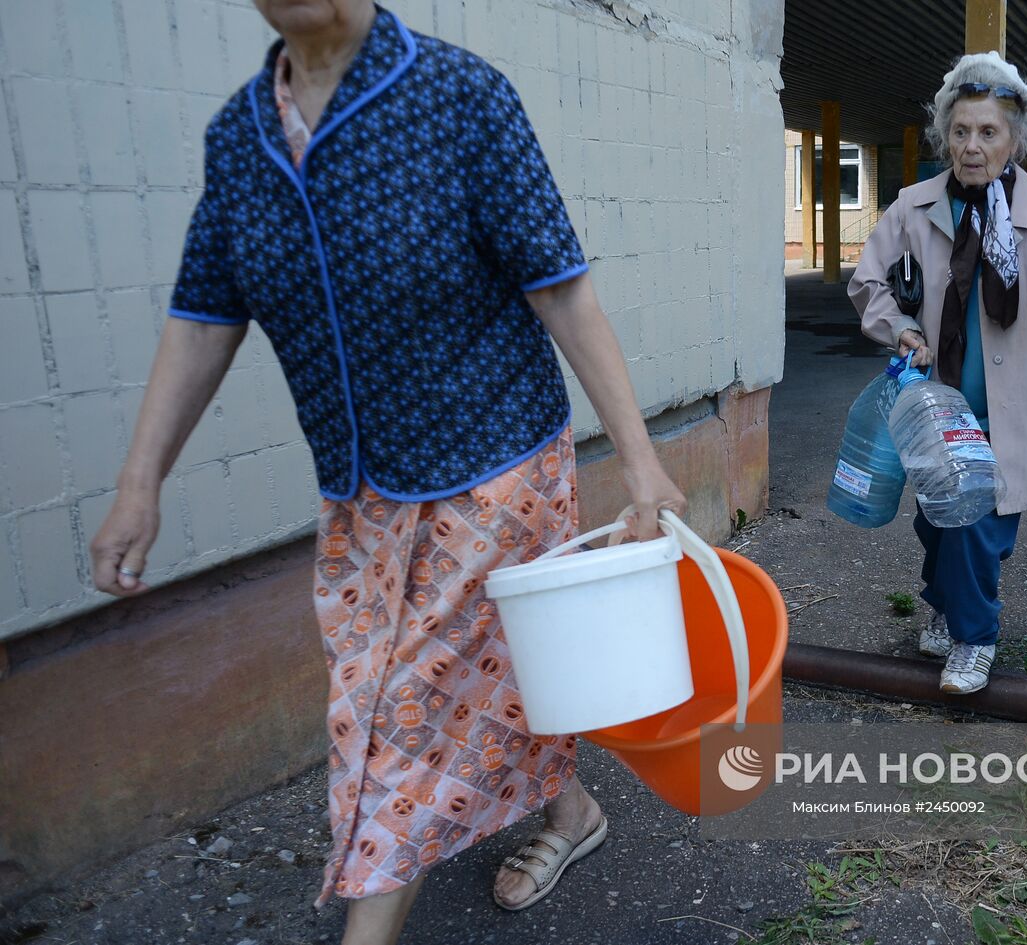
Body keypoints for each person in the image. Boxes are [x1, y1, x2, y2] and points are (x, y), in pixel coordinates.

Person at [86, 2, 686, 943]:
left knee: (400, 705)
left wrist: (641, 462)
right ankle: (570, 811)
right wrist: (140, 481)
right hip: (361, 486)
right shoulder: (240, 137)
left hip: (495, 459)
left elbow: (561, 285)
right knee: (475, 675)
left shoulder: (460, 96)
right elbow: (205, 312)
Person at [849, 53, 1027, 696]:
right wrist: (900, 328)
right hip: (937, 406)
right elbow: (867, 283)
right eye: (961, 132)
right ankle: (944, 601)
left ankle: (975, 637)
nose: (972, 147)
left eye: (989, 133)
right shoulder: (914, 207)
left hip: (1011, 409)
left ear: (1015, 139)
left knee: (976, 526)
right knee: (936, 523)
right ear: (946, 135)